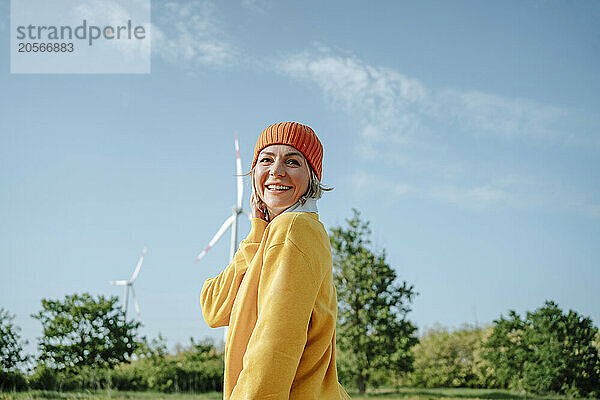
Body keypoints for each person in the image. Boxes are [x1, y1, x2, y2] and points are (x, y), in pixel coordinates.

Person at [200, 121, 351, 399]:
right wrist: (257, 232)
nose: (276, 171)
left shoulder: (294, 229)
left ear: (311, 178)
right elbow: (215, 308)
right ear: (254, 171)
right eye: (266, 159)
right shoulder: (275, 233)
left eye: (292, 162)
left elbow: (274, 345)